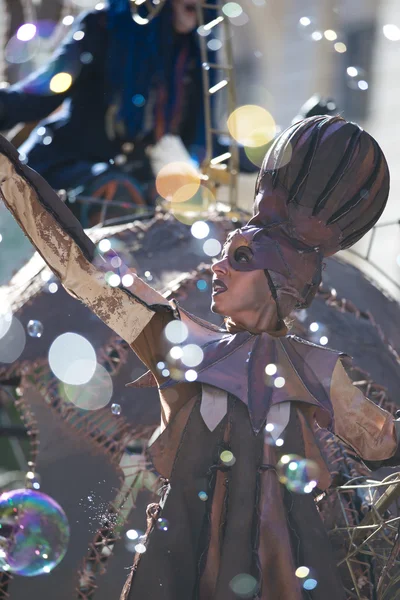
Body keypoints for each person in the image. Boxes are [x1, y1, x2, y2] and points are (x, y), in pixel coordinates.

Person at [0, 115, 399, 600]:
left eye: (242, 257)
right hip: (179, 561)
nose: (217, 265)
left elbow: (382, 442)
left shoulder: (318, 369)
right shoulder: (179, 342)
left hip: (285, 567)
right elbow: (82, 268)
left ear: (284, 285)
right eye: (224, 253)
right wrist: (10, 172)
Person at [0, 0, 213, 214]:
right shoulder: (102, 25)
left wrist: (243, 152)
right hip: (72, 167)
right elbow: (40, 95)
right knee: (119, 193)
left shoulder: (197, 53)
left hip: (139, 178)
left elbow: (196, 138)